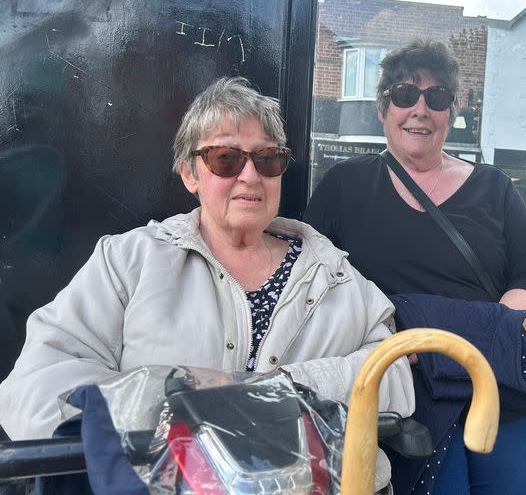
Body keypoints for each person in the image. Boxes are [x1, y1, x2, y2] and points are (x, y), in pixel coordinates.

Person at [0, 76, 414, 492]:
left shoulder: (333, 273)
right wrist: (181, 422)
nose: (251, 175)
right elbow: (36, 384)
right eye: (225, 158)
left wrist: (283, 387)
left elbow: (394, 372)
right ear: (189, 173)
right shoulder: (129, 261)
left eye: (267, 158)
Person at [304, 40, 526, 495]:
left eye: (436, 97)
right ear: (384, 108)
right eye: (404, 95)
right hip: (405, 385)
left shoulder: (494, 187)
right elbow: (313, 283)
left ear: (452, 111)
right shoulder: (345, 185)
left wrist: (491, 334)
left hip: (499, 379)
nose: (419, 109)